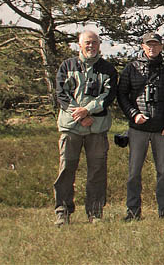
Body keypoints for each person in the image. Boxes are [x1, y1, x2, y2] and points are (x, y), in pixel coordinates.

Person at [53, 30, 118, 226]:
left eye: (95, 43)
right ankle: (62, 212)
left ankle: (95, 213)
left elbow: (108, 96)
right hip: (71, 128)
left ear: (100, 45)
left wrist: (88, 110)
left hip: (96, 129)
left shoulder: (108, 70)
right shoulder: (67, 66)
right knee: (66, 170)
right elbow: (61, 94)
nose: (91, 46)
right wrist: (80, 115)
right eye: (87, 43)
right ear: (79, 44)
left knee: (97, 172)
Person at [117, 32, 164, 220]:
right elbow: (121, 96)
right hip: (138, 129)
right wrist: (134, 115)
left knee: (163, 173)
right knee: (134, 173)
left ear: (161, 47)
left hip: (161, 130)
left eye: (156, 44)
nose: (152, 48)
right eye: (148, 44)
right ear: (142, 46)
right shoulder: (131, 69)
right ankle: (133, 211)